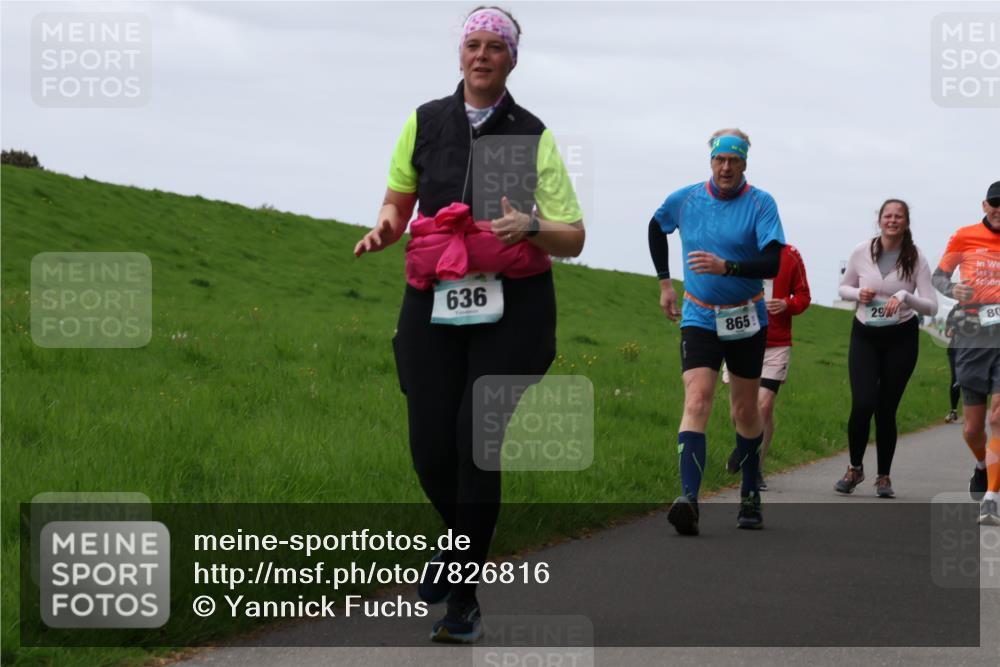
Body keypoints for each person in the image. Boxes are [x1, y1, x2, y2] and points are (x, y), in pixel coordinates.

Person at [354, 6, 585, 642]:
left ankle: (462, 601)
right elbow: (398, 200)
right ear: (460, 54)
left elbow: (574, 235)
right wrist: (384, 228)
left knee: (474, 441)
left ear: (513, 59)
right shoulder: (426, 121)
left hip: (515, 307)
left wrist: (530, 225)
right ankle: (460, 543)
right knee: (431, 447)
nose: (482, 55)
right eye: (473, 44)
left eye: (495, 46)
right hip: (434, 298)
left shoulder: (532, 134)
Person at [648, 128, 785, 535]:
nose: (726, 167)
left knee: (744, 410)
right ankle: (688, 500)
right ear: (711, 161)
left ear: (744, 163)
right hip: (700, 316)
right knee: (697, 398)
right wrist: (665, 283)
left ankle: (749, 492)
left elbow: (772, 263)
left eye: (734, 161)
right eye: (720, 160)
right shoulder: (686, 199)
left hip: (745, 316)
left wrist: (728, 267)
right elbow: (656, 227)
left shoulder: (760, 203)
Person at [835, 199, 938, 498]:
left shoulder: (916, 258)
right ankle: (855, 468)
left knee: (886, 409)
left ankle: (884, 476)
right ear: (879, 220)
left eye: (898, 216)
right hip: (865, 335)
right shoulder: (862, 251)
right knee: (862, 403)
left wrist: (906, 296)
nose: (892, 220)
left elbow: (931, 306)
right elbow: (843, 288)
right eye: (887, 216)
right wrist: (858, 293)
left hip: (901, 338)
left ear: (906, 222)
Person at [932, 181, 1000, 524]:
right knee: (974, 429)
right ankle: (981, 464)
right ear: (984, 205)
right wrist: (952, 288)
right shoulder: (964, 236)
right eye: (995, 203)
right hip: (972, 335)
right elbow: (939, 277)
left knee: (997, 418)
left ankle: (992, 497)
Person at [723, 244, 811, 490]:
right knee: (740, 410)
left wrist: (786, 304)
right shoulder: (736, 247)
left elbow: (804, 297)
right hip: (739, 338)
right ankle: (747, 448)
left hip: (775, 344)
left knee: (764, 405)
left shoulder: (790, 255)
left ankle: (754, 468)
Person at [944, 304, 962, 423]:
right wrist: (952, 328)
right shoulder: (955, 309)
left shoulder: (980, 306)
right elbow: (948, 332)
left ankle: (973, 412)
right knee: (956, 379)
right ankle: (953, 411)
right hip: (955, 349)